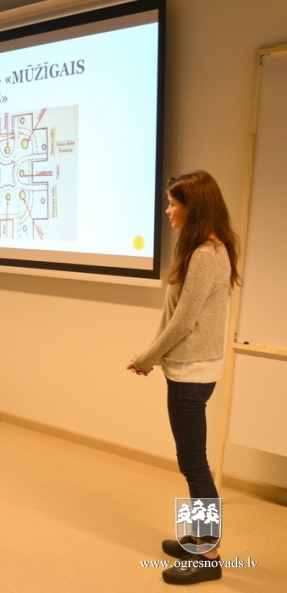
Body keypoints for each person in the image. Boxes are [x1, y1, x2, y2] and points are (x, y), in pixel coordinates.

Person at [127, 171, 241, 585]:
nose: (167, 210)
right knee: (192, 461)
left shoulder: (205, 255)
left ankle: (207, 554)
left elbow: (182, 321)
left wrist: (146, 357)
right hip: (193, 369)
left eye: (173, 204)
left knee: (194, 463)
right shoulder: (210, 248)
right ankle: (197, 538)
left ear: (194, 207)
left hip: (191, 372)